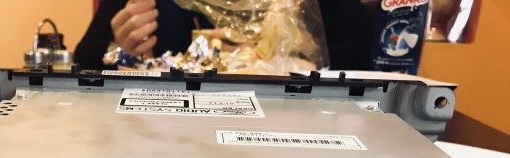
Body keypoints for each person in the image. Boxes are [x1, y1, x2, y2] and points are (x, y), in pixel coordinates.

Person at [73, 0, 374, 70]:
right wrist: (121, 50)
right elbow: (86, 56)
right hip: (166, 136)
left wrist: (284, 61)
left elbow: (369, 51)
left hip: (282, 136)